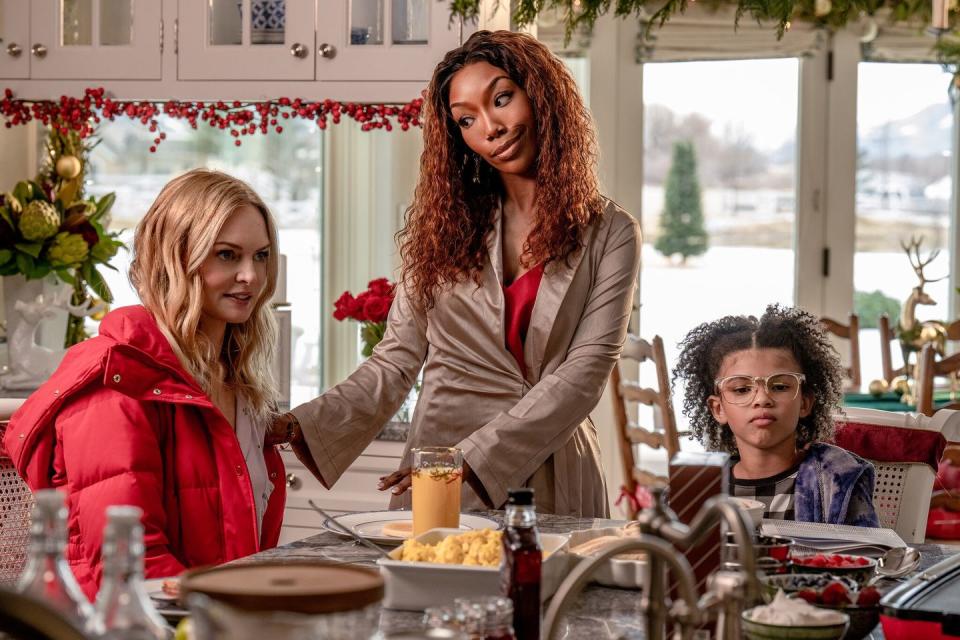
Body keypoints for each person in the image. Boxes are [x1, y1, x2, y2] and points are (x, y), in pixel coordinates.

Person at [273, 30, 642, 517]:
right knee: (434, 588)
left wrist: (472, 456)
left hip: (555, 469)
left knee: (550, 591)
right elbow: (396, 359)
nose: (490, 127)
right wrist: (300, 425)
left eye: (503, 99)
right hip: (439, 470)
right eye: (467, 119)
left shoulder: (611, 232)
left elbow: (585, 373)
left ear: (542, 95)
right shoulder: (440, 229)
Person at [3, 169, 286, 599]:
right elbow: (131, 565)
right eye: (227, 255)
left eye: (261, 256)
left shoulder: (236, 380)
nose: (251, 275)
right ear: (175, 258)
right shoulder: (117, 383)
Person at [672, 304, 879, 526]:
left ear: (805, 402)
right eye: (742, 389)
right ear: (718, 409)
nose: (762, 399)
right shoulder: (697, 486)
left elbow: (864, 557)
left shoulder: (839, 479)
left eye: (779, 386)